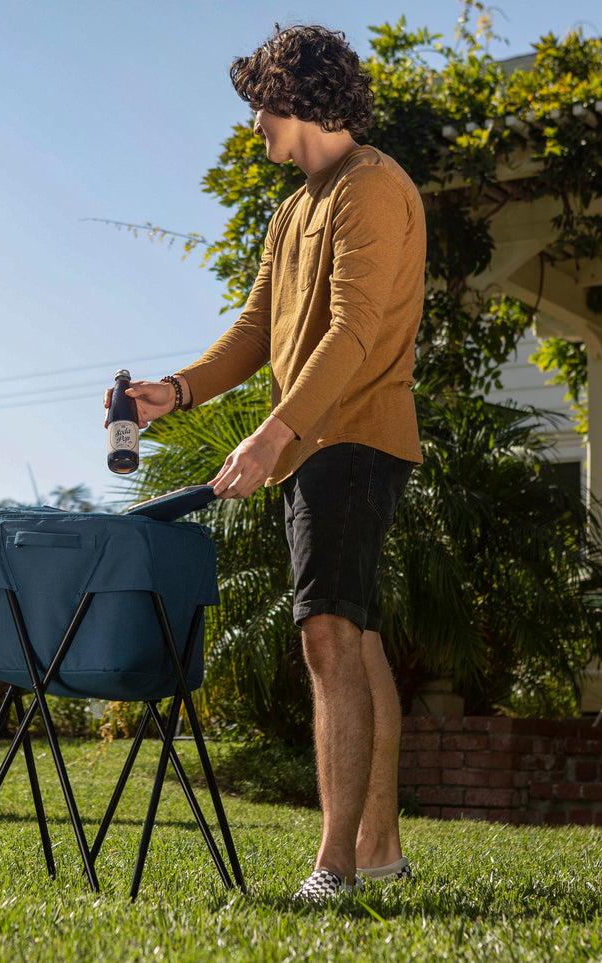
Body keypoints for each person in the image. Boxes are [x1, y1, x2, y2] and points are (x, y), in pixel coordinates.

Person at [108, 25, 425, 901]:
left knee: (326, 634)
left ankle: (334, 865)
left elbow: (352, 331)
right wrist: (176, 390)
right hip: (314, 441)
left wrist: (275, 432)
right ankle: (379, 849)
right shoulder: (293, 210)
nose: (252, 123)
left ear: (297, 99)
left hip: (354, 435)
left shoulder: (371, 186)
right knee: (352, 635)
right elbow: (258, 330)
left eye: (259, 104)